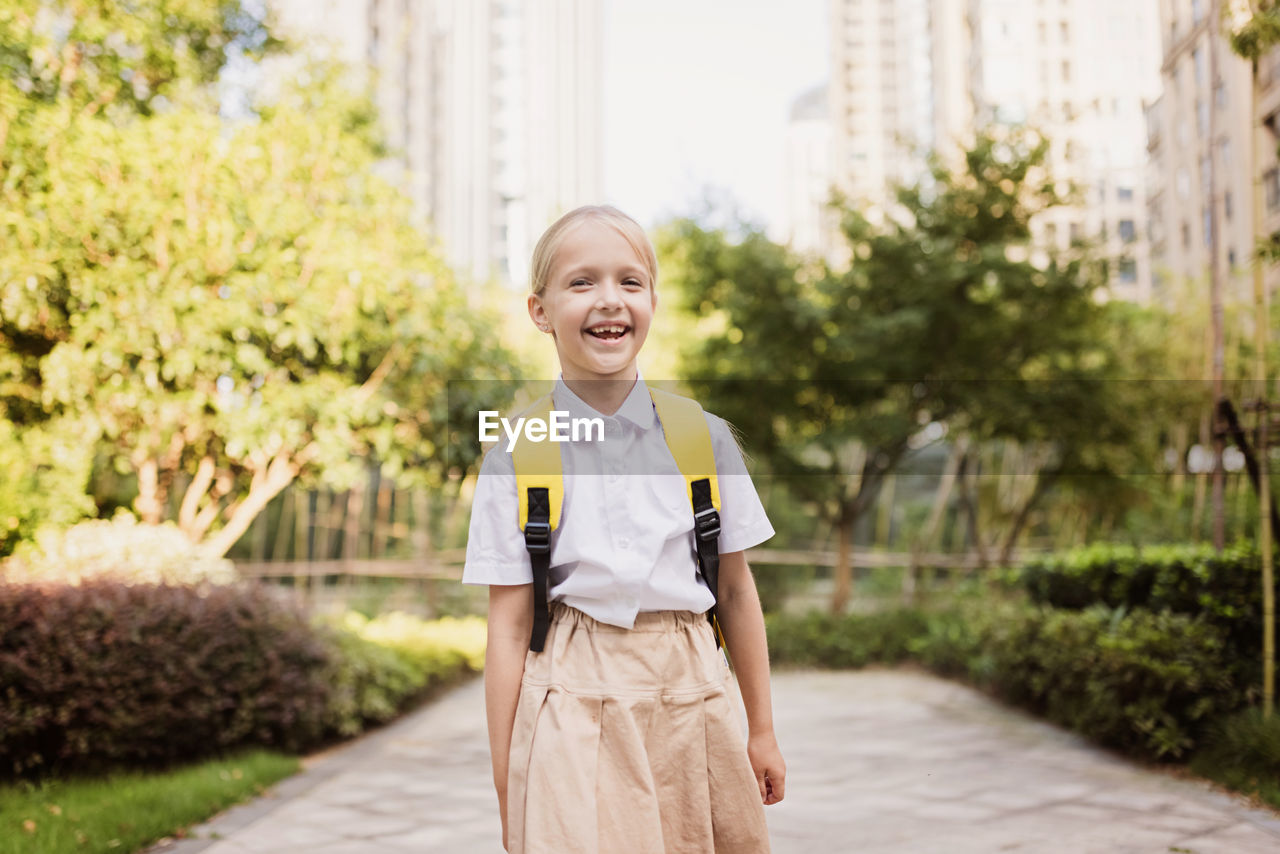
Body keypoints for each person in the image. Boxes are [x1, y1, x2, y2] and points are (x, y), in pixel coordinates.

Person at [463, 204, 786, 853]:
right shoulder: (517, 454)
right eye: (581, 282)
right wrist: (508, 782)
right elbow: (506, 627)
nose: (609, 300)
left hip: (694, 688)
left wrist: (762, 730)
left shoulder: (704, 437)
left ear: (651, 302)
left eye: (629, 281)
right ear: (540, 311)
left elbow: (737, 591)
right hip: (571, 693)